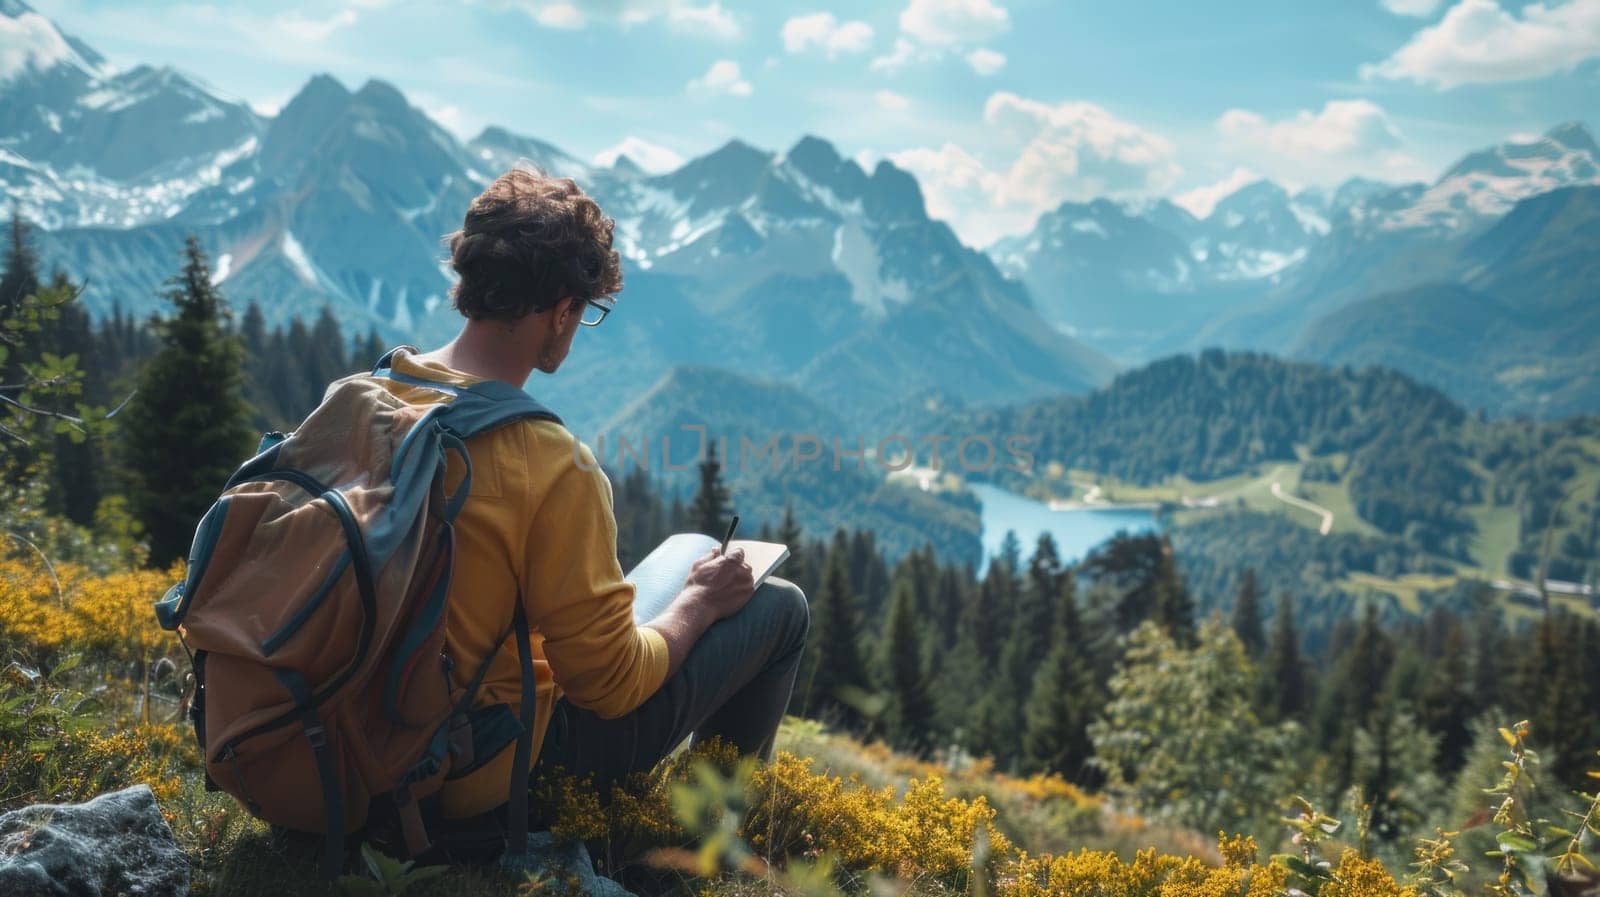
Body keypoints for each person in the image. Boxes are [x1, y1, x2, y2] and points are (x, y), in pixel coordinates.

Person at [387, 168, 808, 852]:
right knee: (779, 606)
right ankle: (697, 850)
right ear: (561, 310)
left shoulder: (369, 392)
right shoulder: (547, 461)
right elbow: (612, 687)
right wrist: (699, 605)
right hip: (461, 773)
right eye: (585, 311)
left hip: (334, 738)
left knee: (680, 551)